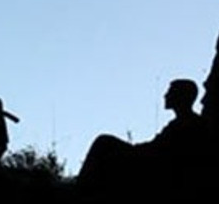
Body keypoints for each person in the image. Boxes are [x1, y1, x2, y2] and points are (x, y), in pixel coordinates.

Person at [78, 79, 208, 190]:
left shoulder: (185, 124)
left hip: (154, 168)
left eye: (170, 92)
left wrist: (135, 150)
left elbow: (158, 150)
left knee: (104, 142)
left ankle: (81, 187)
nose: (165, 95)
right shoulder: (182, 123)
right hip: (151, 163)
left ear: (181, 96)